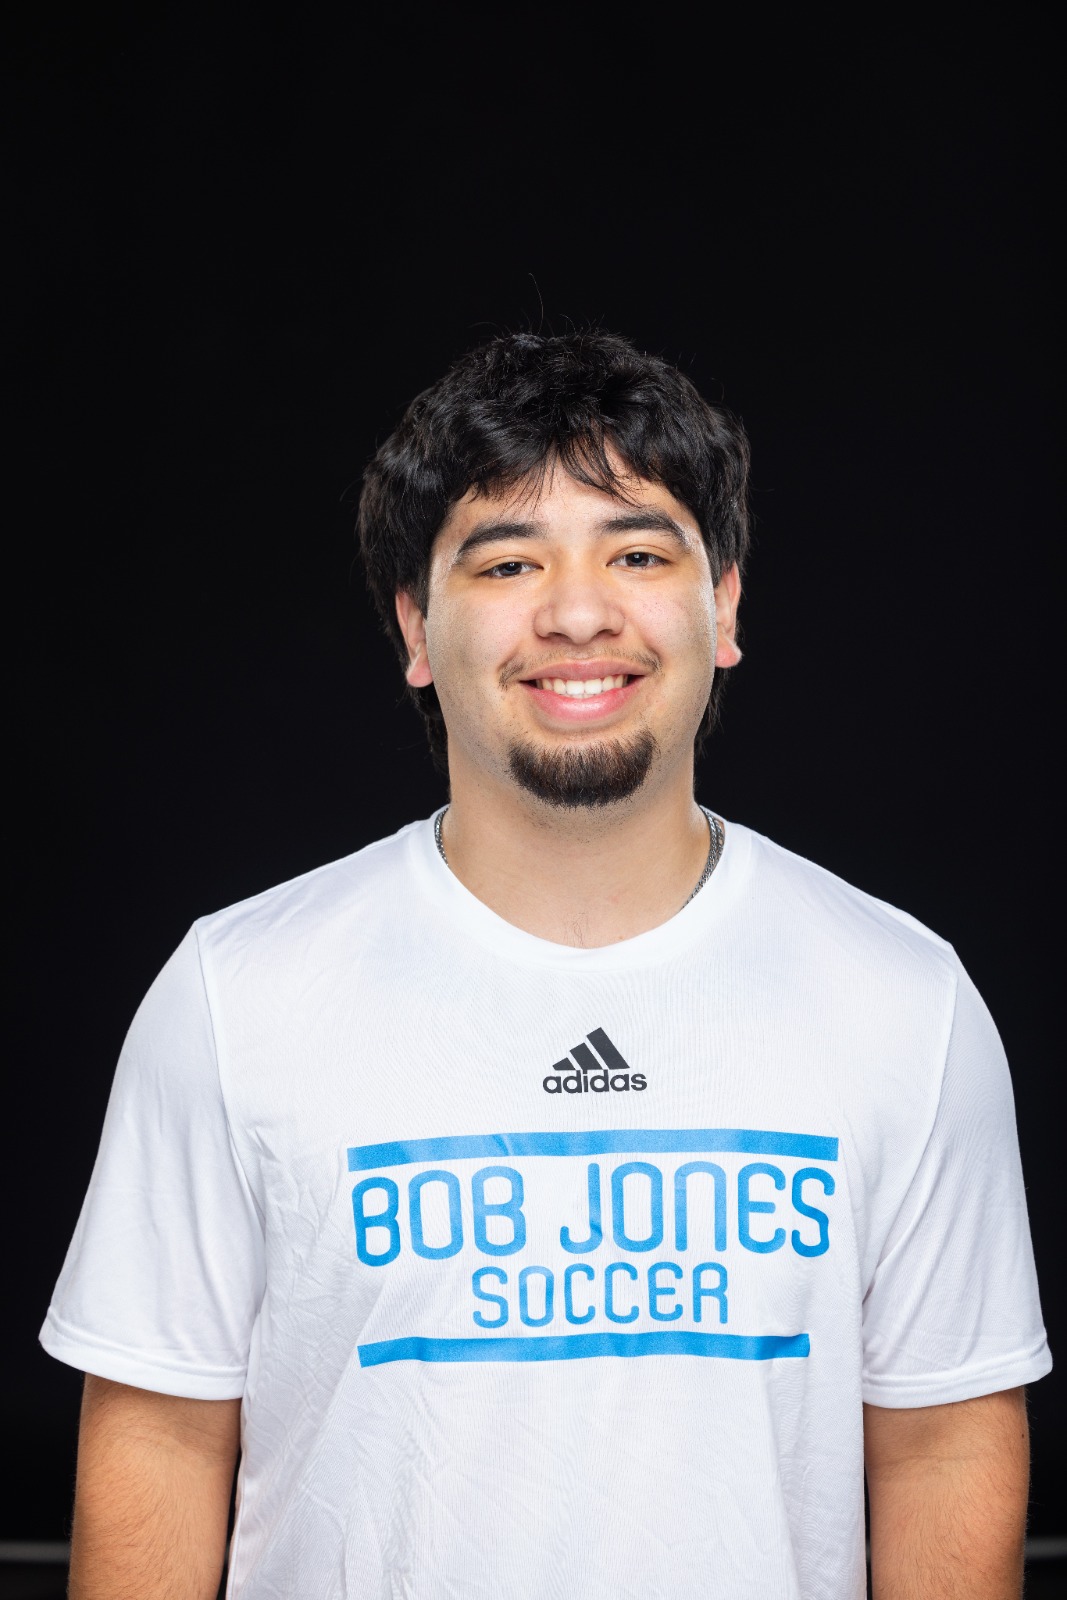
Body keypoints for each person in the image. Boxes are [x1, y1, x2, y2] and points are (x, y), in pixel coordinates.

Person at [42, 330, 1050, 1599]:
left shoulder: (903, 1002)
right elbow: (162, 1436)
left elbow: (939, 1443)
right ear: (415, 628)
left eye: (637, 554)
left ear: (724, 607)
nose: (577, 613)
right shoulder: (234, 997)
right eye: (508, 561)